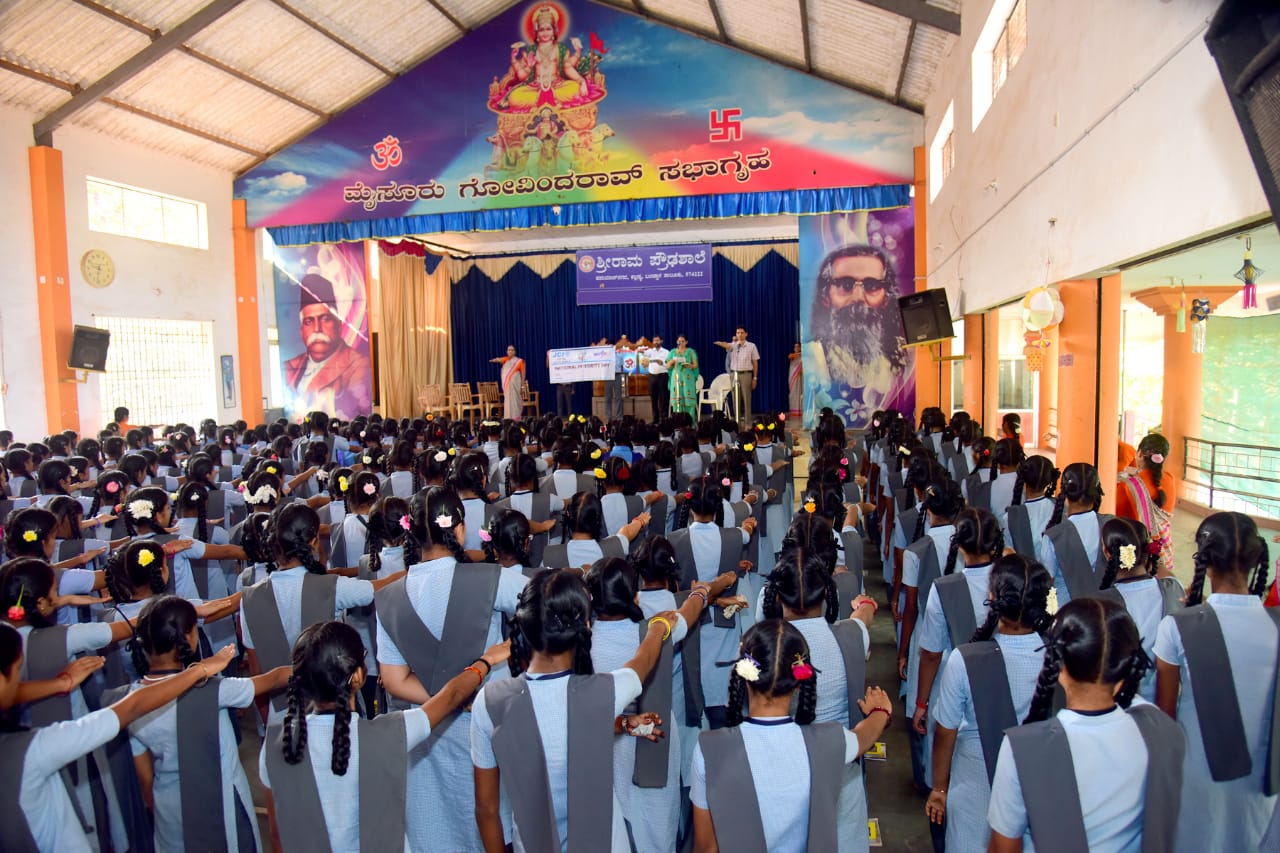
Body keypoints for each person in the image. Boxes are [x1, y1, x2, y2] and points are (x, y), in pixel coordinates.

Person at [470, 568, 679, 852]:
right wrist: (658, 628)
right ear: (586, 627)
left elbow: (486, 808)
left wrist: (620, 724)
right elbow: (641, 663)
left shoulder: (489, 702)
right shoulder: (604, 692)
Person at [263, 620, 510, 851]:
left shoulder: (276, 744)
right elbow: (450, 697)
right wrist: (485, 661)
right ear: (358, 676)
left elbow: (276, 834)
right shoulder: (387, 735)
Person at [0, 621, 237, 853]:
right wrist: (200, 670)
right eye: (18, 671)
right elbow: (131, 708)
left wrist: (62, 683)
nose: (20, 682)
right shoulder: (32, 751)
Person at [987, 598, 1185, 852]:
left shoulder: (1021, 748)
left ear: (1058, 666)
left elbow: (1005, 847)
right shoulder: (1161, 729)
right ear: (1127, 665)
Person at [690, 619, 894, 853]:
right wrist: (880, 712)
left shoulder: (709, 751)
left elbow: (706, 847)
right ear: (799, 681)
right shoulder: (829, 742)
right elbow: (863, 737)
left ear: (744, 674)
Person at [125, 595, 287, 853]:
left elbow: (145, 779)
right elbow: (273, 679)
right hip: (221, 800)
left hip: (170, 808)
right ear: (189, 638)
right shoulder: (215, 690)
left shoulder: (131, 703)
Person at [1154, 511, 1276, 853]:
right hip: (1266, 775)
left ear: (1205, 563)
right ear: (1255, 559)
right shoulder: (1276, 626)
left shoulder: (1176, 627)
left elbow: (1165, 716)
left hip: (1199, 773)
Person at [926, 555, 1052, 853]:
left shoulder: (965, 659)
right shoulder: (1057, 656)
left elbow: (945, 732)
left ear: (993, 598)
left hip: (975, 781)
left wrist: (939, 787)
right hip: (1036, 783)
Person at [804, 244, 909, 429]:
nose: (859, 297)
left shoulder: (905, 354)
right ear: (826, 296)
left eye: (871, 286)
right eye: (846, 285)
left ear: (886, 298)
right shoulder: (813, 355)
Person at [282, 273, 372, 420]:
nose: (317, 328)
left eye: (325, 319)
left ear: (338, 325)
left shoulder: (357, 364)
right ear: (301, 331)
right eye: (309, 321)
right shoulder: (290, 367)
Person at [1116, 432, 1176, 577]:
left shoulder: (1127, 486)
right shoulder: (1170, 479)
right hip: (1164, 550)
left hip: (1139, 553)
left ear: (1140, 453)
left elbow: (1119, 519)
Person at [714, 326, 759, 425]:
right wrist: (721, 343)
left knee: (746, 399)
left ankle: (747, 423)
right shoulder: (734, 345)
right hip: (734, 374)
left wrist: (755, 378)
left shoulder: (751, 346)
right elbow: (727, 345)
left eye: (742, 332)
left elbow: (755, 363)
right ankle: (736, 423)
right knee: (735, 399)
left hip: (746, 374)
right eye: (738, 333)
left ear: (746, 334)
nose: (740, 334)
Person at [666, 335, 699, 418]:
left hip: (687, 378)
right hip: (676, 378)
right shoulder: (673, 352)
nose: (680, 343)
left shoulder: (691, 352)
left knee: (688, 399)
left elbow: (695, 365)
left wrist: (690, 365)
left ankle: (690, 421)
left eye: (682, 341)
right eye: (679, 341)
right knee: (677, 399)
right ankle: (677, 421)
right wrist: (673, 361)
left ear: (686, 342)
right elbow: (668, 366)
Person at [489, 345, 526, 421]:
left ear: (515, 352)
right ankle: (508, 419)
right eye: (509, 350)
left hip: (516, 387)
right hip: (507, 387)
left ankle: (516, 419)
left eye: (512, 350)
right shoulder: (505, 360)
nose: (510, 351)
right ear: (507, 352)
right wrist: (493, 360)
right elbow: (498, 359)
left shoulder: (520, 361)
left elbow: (523, 375)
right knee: (508, 401)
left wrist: (522, 386)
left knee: (515, 401)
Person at [644, 334, 671, 420]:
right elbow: (640, 353)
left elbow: (669, 365)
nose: (656, 342)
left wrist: (662, 363)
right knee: (653, 398)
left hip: (663, 377)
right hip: (652, 377)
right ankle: (655, 419)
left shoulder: (666, 352)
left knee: (664, 398)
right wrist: (639, 350)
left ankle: (664, 419)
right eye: (654, 340)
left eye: (657, 340)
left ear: (661, 341)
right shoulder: (650, 351)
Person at [788, 342, 803, 420]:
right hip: (793, 377)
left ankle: (800, 410)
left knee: (800, 393)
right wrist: (800, 353)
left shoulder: (803, 356)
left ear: (800, 348)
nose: (796, 348)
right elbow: (790, 356)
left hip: (800, 376)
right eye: (795, 347)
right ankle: (794, 410)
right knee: (793, 393)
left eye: (798, 347)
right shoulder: (792, 355)